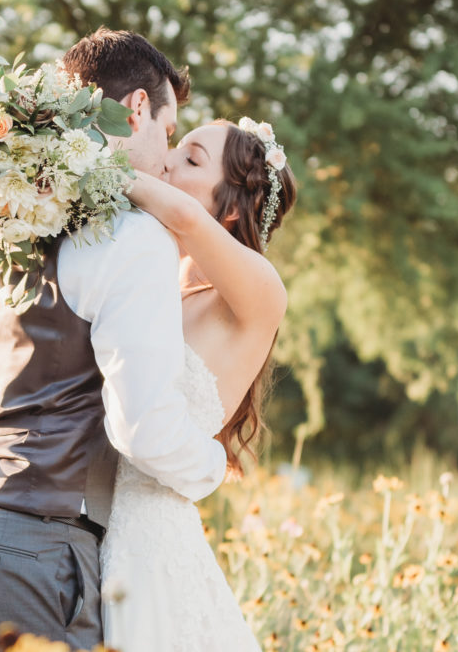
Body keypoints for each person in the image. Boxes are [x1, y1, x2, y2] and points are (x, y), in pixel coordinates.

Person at [0, 28, 228, 651]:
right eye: (167, 133)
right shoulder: (132, 239)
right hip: (25, 559)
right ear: (137, 109)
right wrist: (211, 467)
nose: (166, 160)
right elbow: (143, 428)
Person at [101, 118, 297, 651]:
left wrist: (89, 163)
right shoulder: (155, 283)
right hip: (85, 528)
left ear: (231, 207)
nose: (164, 162)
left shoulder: (259, 292)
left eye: (189, 160)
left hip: (148, 543)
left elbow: (185, 217)